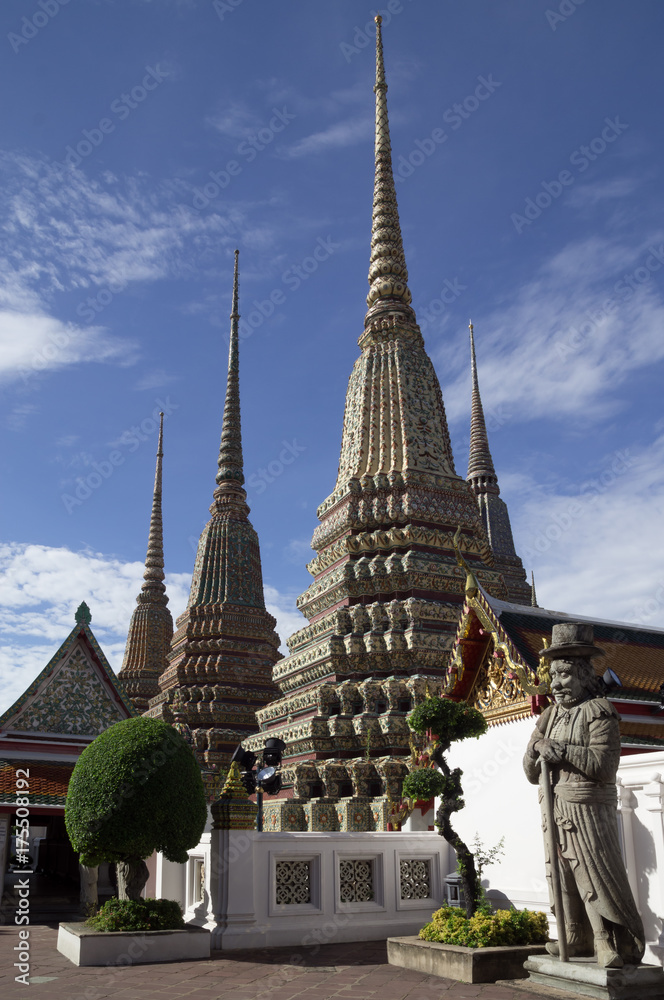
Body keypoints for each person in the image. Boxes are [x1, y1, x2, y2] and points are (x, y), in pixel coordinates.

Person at [523, 622, 644, 969]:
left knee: (593, 873)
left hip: (588, 806)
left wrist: (558, 750)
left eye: (565, 675)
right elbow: (531, 773)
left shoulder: (600, 711)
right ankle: (574, 937)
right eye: (553, 676)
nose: (557, 684)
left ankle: (608, 941)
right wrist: (535, 750)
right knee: (561, 872)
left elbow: (604, 766)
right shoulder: (549, 716)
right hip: (555, 803)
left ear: (584, 675)